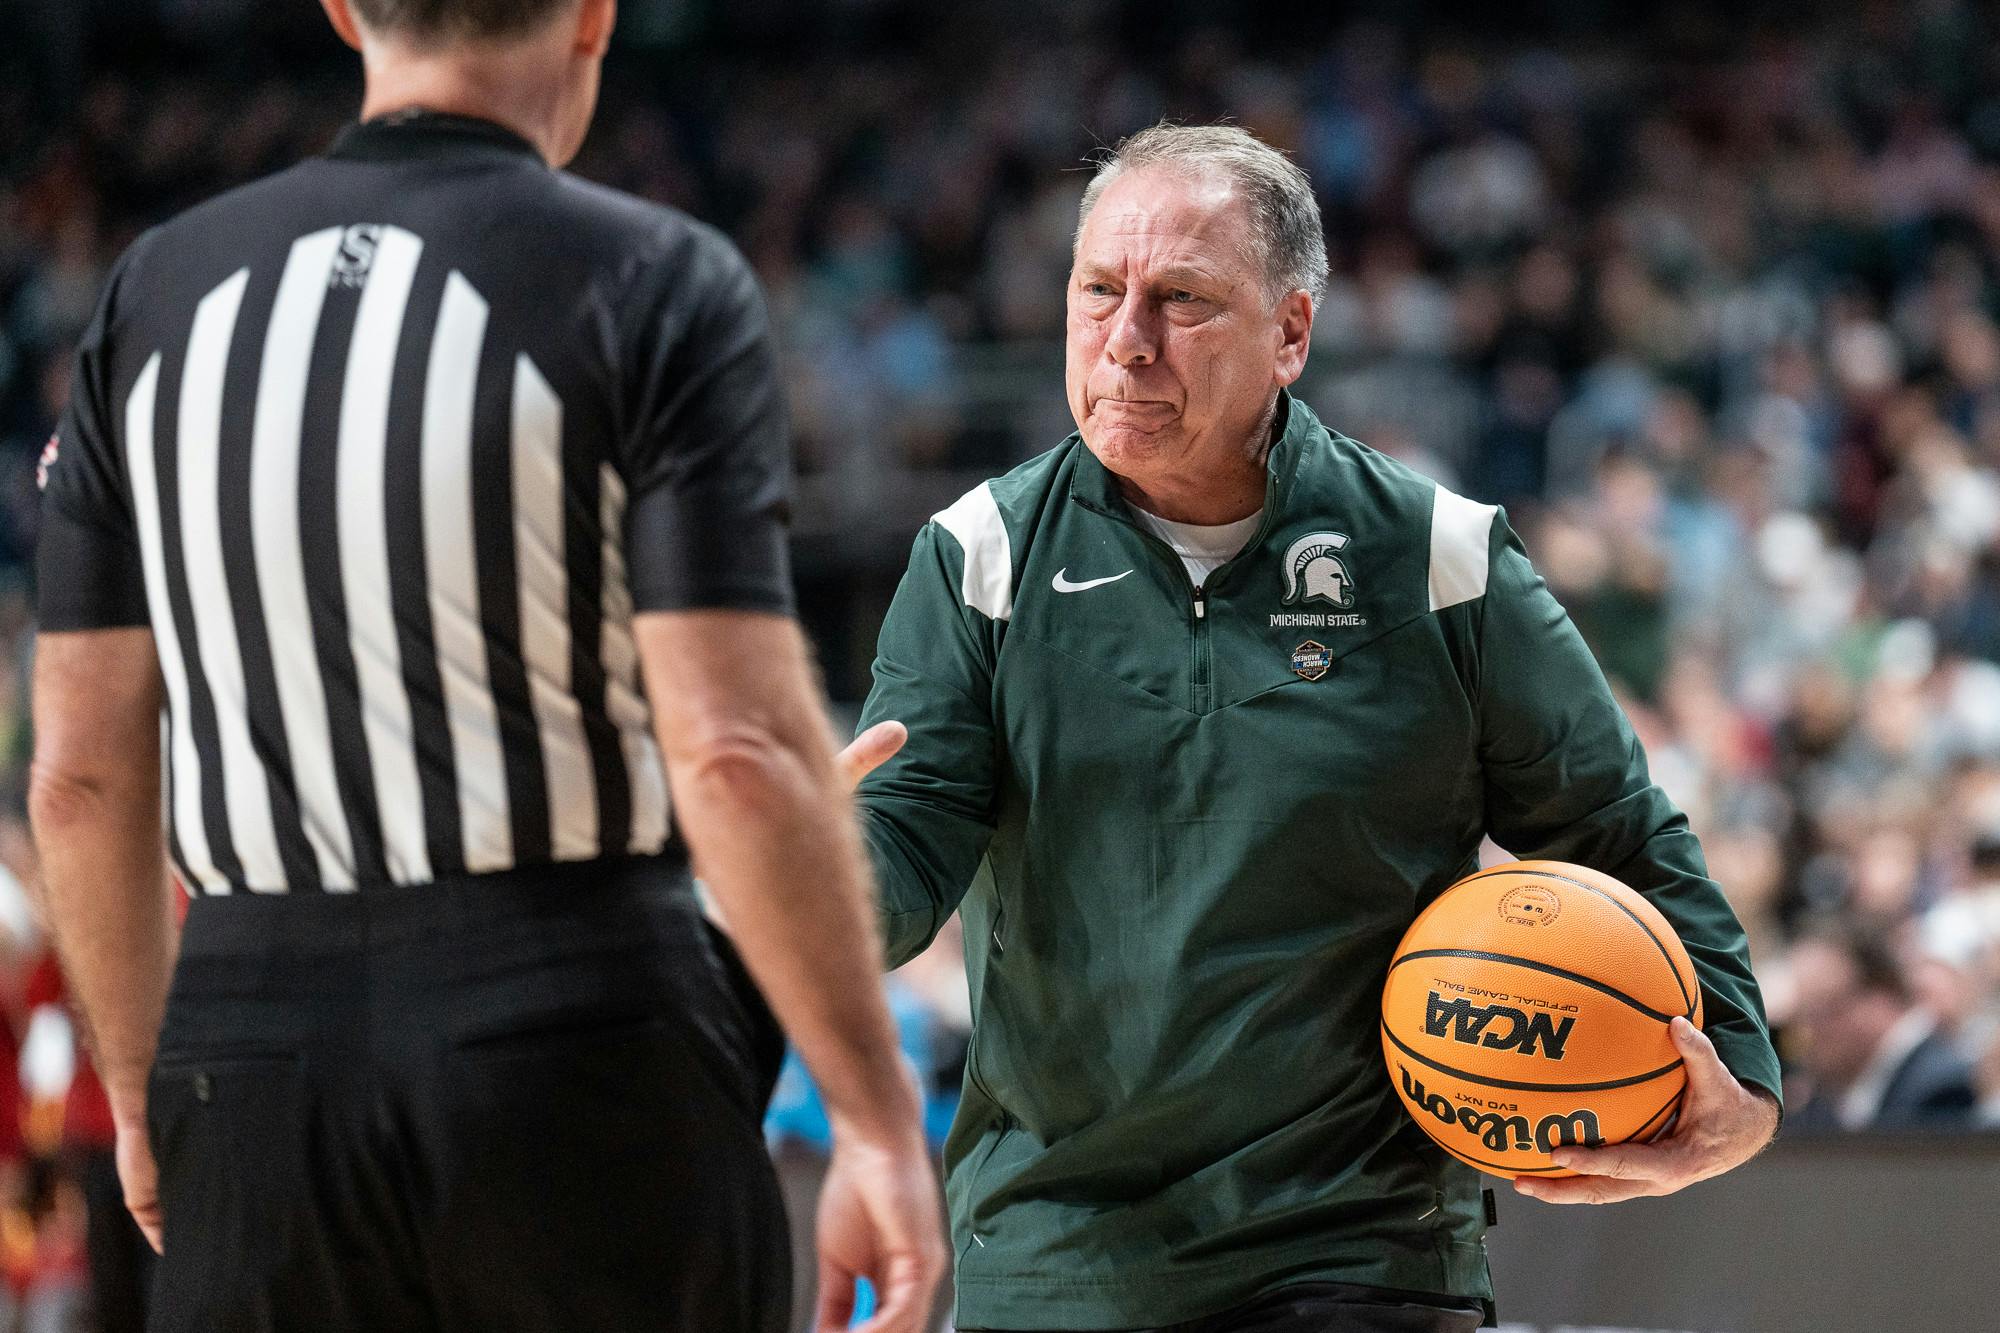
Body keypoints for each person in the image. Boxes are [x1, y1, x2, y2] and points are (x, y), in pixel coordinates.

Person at [26, 1, 944, 1330]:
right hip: (572, 1028)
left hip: (248, 1050)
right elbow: (735, 748)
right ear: (593, 15)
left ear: (343, 8)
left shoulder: (154, 294)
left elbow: (78, 779)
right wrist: (872, 1113)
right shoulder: (654, 275)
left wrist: (144, 1085)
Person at [840, 123, 1781, 1333]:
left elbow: (1611, 828)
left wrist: (1741, 1079)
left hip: (1358, 1252)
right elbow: (901, 858)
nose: (1124, 341)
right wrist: (800, 861)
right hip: (1057, 1250)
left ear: (1289, 332)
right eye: (1096, 291)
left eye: (1180, 300)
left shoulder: (1438, 560)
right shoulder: (977, 556)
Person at [1783, 928, 1978, 1131]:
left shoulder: (1941, 1089)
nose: (1807, 1033)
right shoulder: (1824, 1096)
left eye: (1822, 1010)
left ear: (1880, 998)